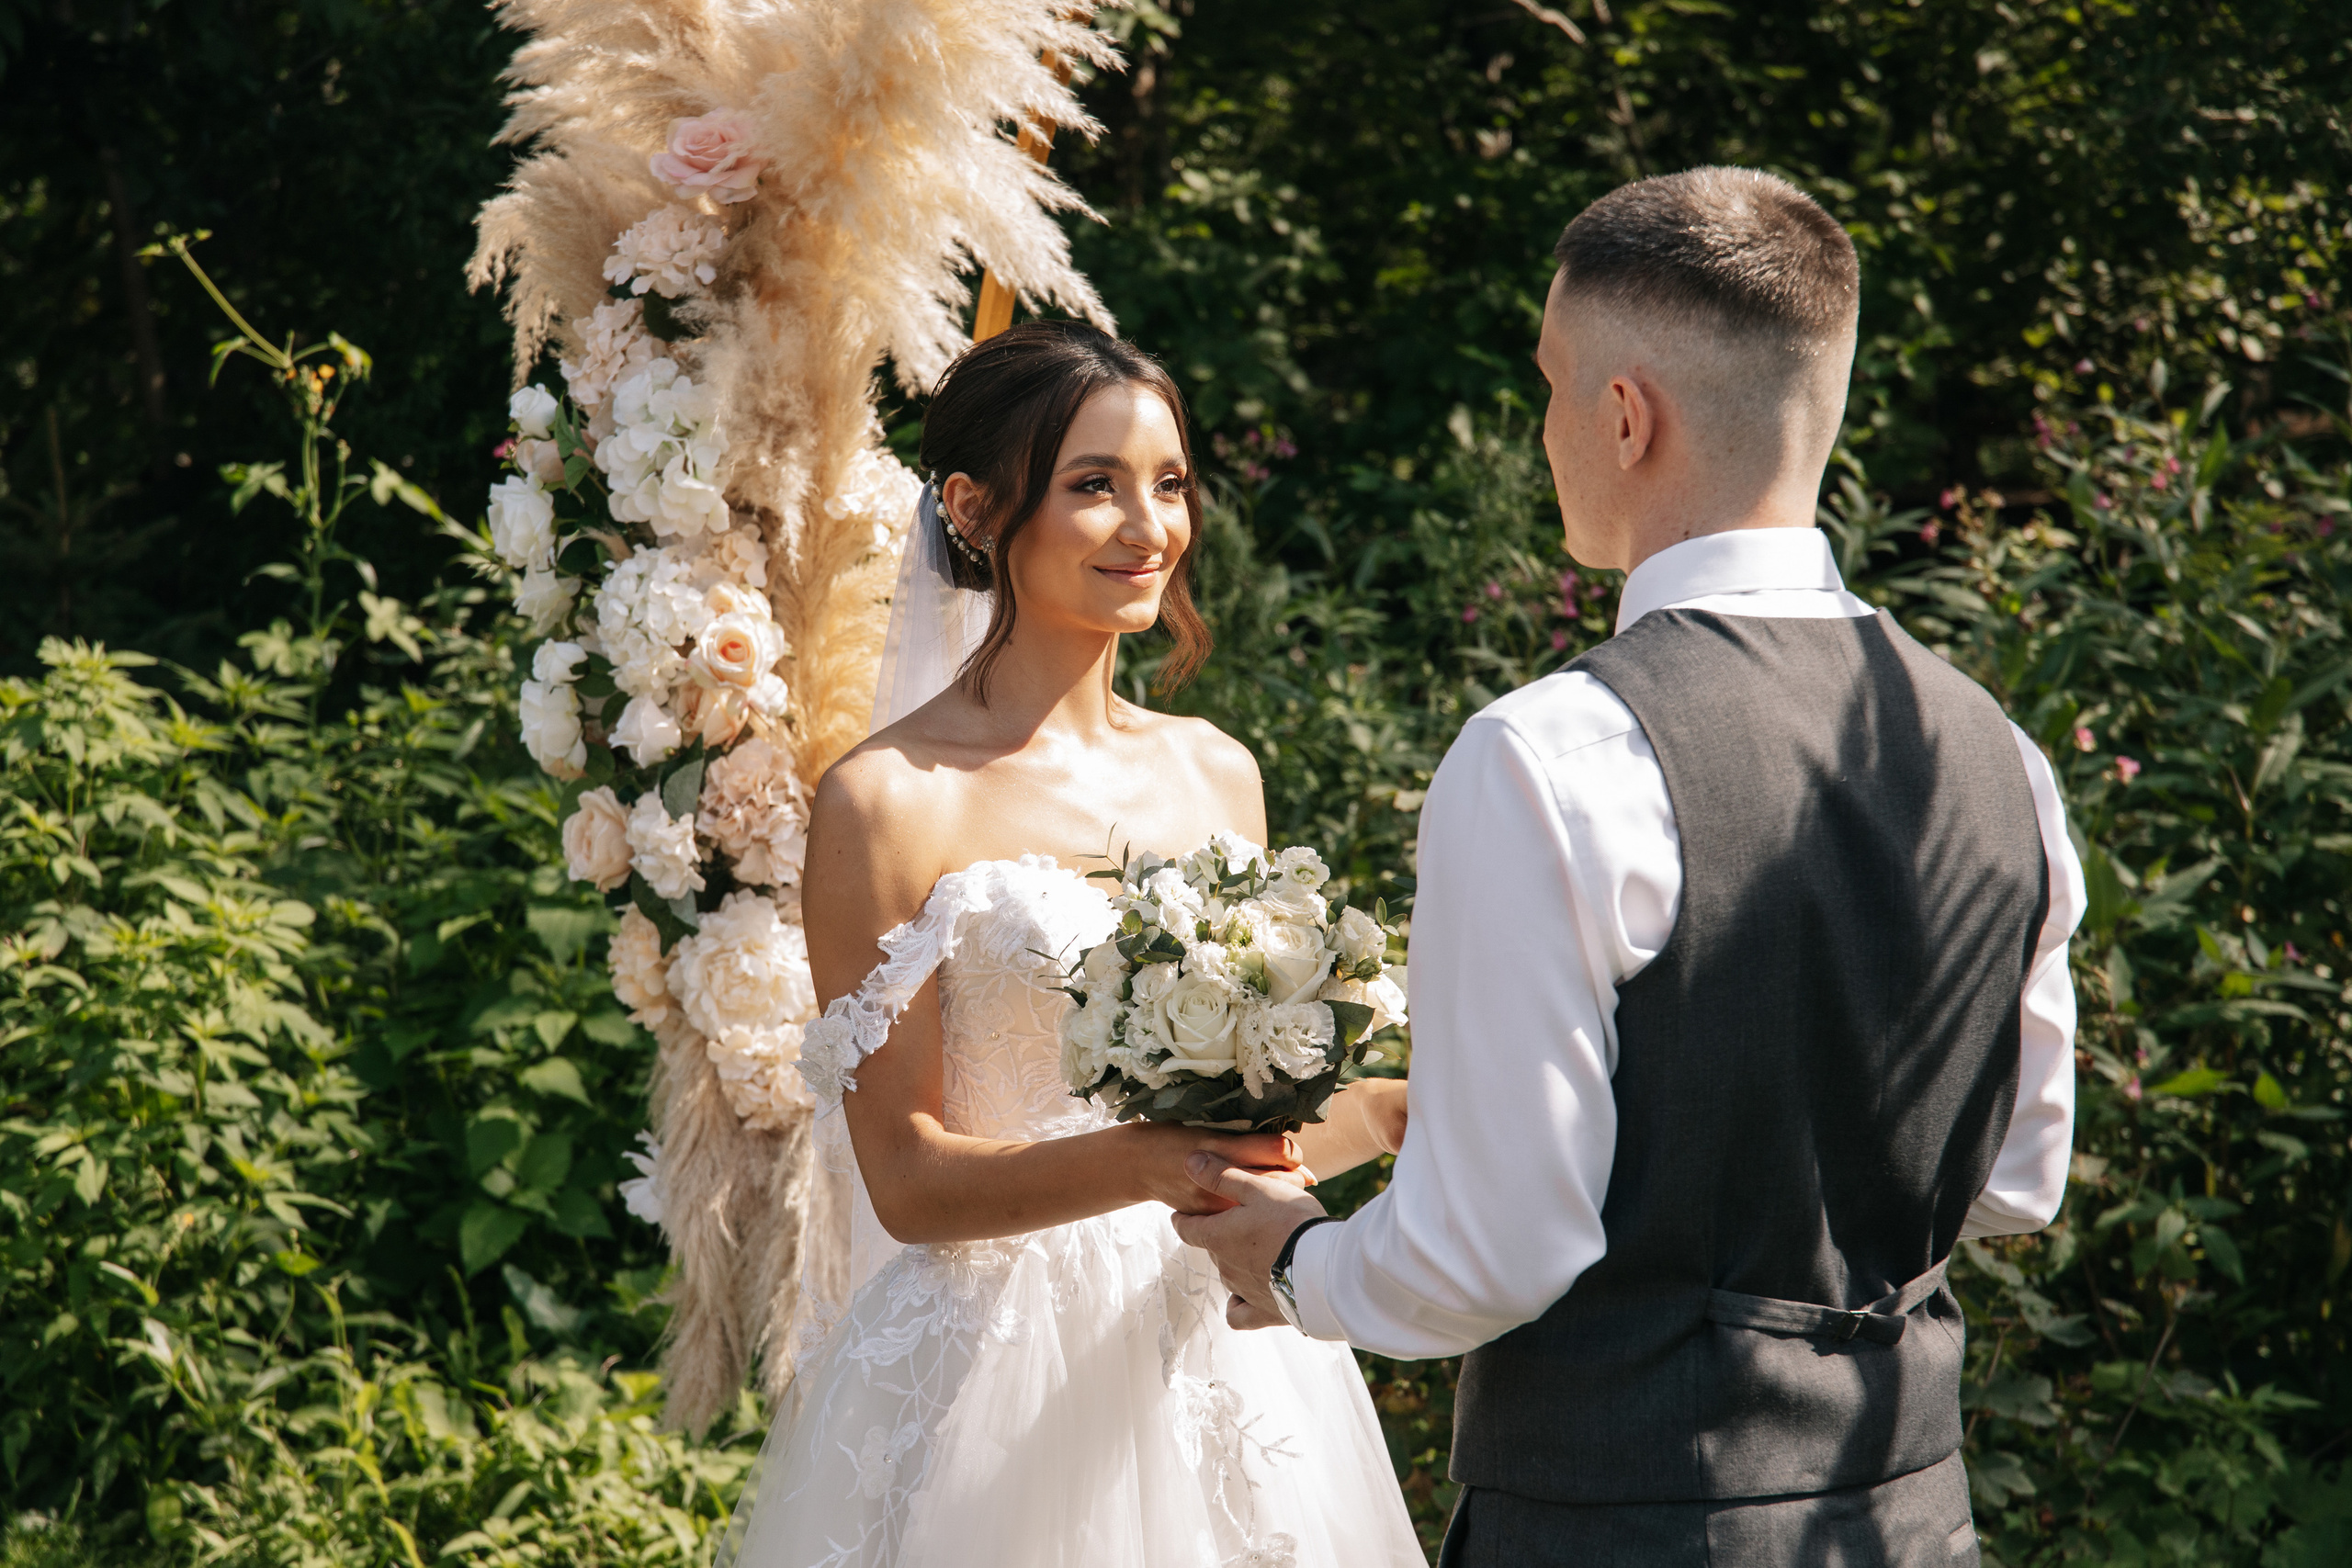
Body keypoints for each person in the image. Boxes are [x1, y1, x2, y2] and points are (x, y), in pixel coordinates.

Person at [1176, 166, 2087, 1567]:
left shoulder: (1549, 756)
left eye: (1549, 387)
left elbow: (1490, 1251)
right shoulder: (1998, 753)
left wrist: (1296, 1258)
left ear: (1622, 414)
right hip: (1910, 1518)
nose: (1544, 429)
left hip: (1628, 1523)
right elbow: (2018, 1179)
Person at [713, 321, 1423, 1568]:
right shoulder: (886, 801)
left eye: (1170, 484)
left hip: (1215, 1338)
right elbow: (908, 1182)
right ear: (975, 508)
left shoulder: (1217, 773)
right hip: (989, 1384)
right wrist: (1151, 1162)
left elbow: (1239, 1142)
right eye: (1096, 485)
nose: (1150, 528)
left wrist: (1388, 1113)